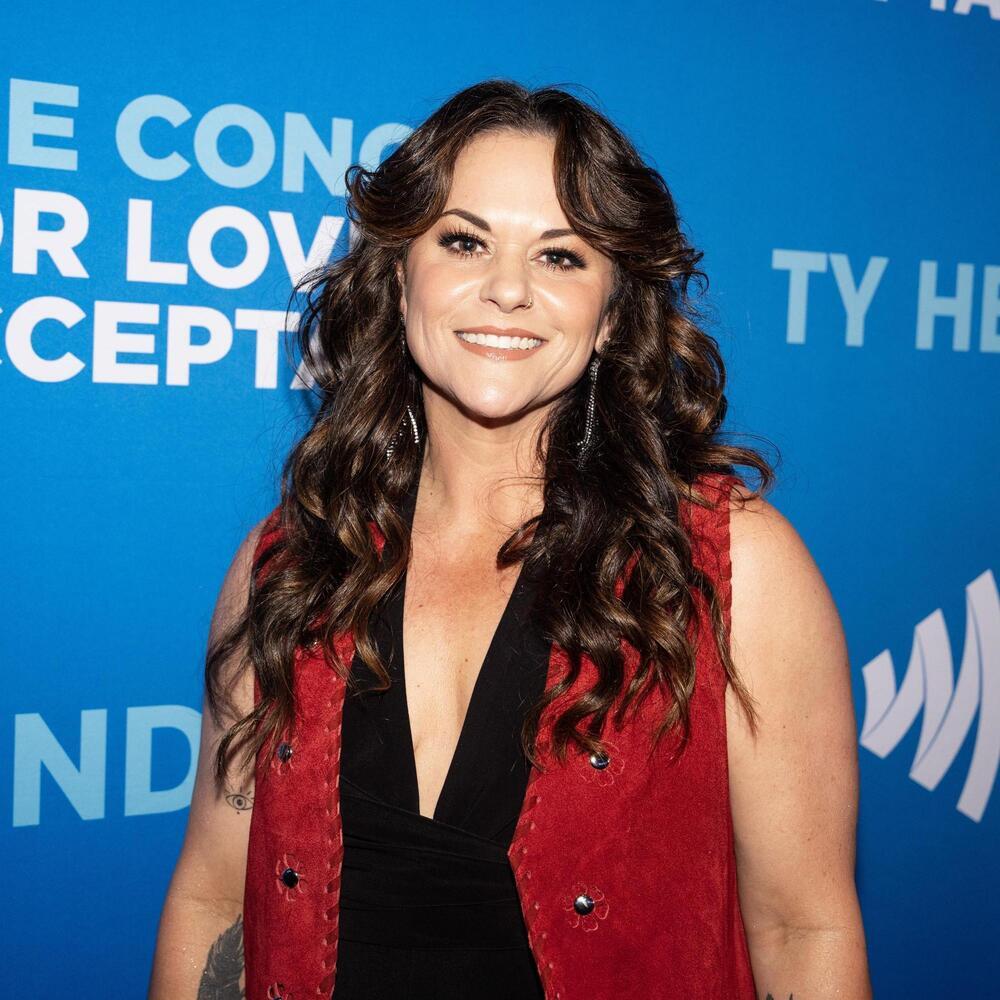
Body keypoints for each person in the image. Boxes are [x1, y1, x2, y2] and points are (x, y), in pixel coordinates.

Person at [149, 79, 872, 999]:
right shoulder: (291, 564)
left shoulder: (728, 564)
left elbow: (801, 928)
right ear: (399, 277)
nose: (507, 289)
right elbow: (215, 898)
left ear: (613, 314)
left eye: (561, 257)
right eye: (464, 241)